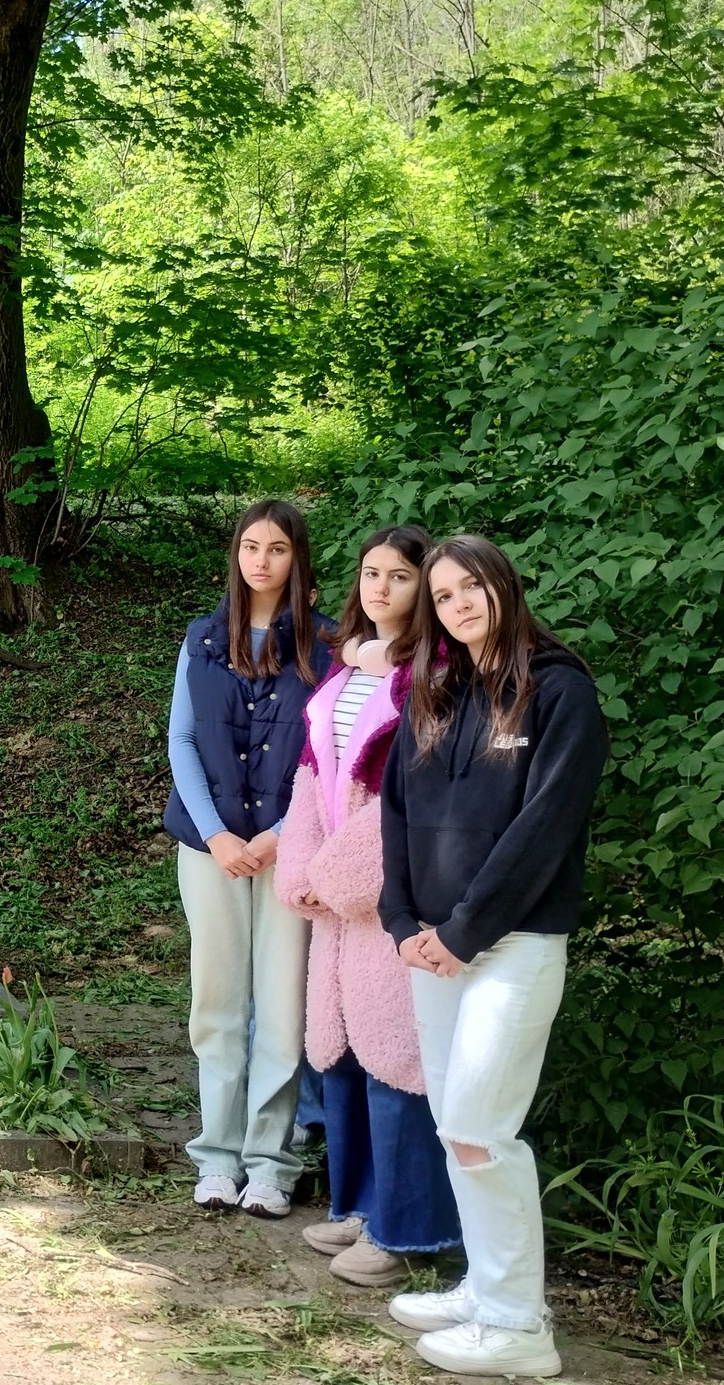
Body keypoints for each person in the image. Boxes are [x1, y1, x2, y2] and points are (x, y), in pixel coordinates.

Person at [380, 534, 608, 1377]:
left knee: (481, 1131)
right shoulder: (439, 695)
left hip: (512, 946)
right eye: (442, 595)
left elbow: (543, 829)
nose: (458, 604)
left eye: (470, 586)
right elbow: (396, 812)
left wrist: (463, 930)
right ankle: (486, 1288)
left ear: (503, 586)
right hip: (433, 947)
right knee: (457, 1129)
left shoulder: (560, 692)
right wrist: (401, 919)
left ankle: (519, 1328)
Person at [278, 525, 461, 1287]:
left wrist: (338, 876)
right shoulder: (345, 667)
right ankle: (357, 1204)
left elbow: (408, 797)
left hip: (393, 898)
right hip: (336, 904)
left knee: (396, 1058)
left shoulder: (434, 677)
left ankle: (405, 1231)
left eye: (399, 576)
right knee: (342, 1052)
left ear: (425, 590)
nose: (380, 588)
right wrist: (302, 869)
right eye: (370, 573)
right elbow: (310, 774)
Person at [165, 499, 337, 1218]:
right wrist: (216, 835)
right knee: (217, 1003)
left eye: (277, 549)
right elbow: (181, 740)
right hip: (211, 851)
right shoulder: (202, 639)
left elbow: (333, 757)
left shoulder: (329, 646)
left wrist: (281, 834)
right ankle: (217, 1157)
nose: (261, 561)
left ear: (298, 559)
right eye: (250, 547)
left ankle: (271, 1163)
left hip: (291, 853)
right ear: (235, 555)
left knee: (283, 1008)